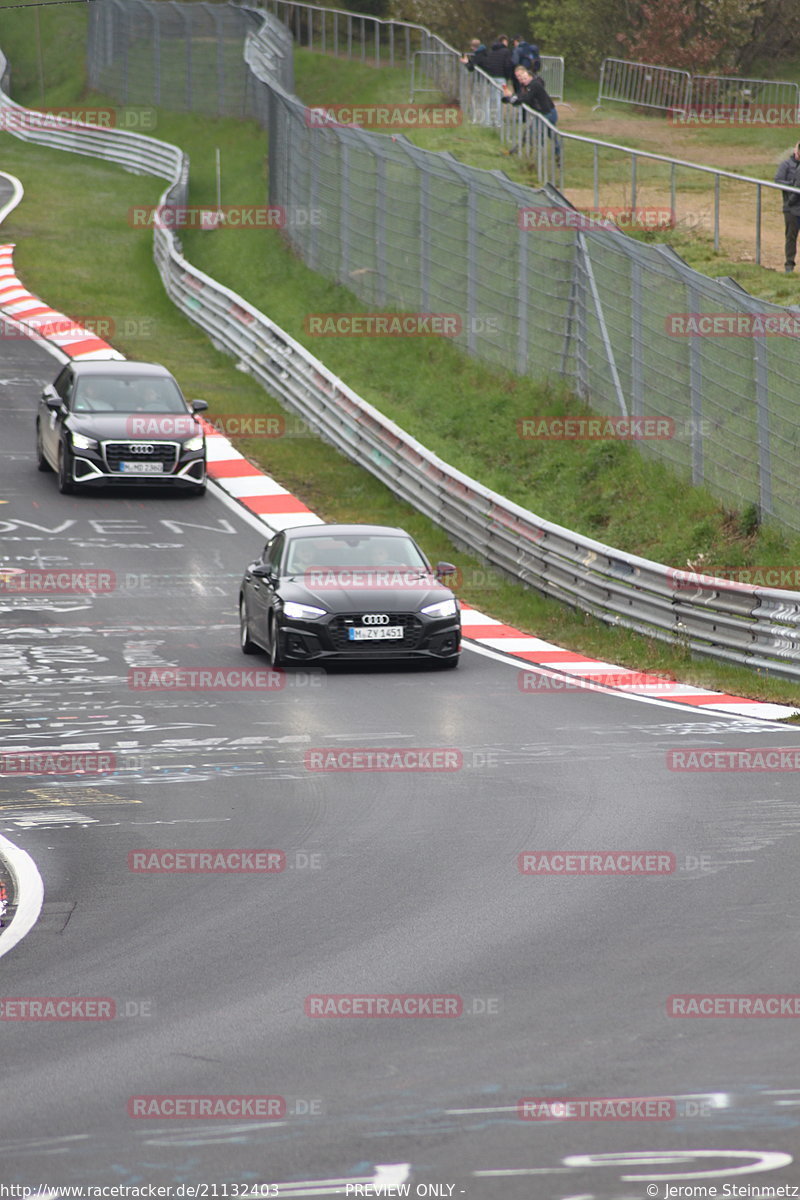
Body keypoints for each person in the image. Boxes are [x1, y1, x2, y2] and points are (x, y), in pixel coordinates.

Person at [502, 66, 560, 161]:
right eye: (518, 77)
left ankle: (538, 157)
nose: (520, 79)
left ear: (528, 75)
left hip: (548, 113)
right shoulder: (525, 85)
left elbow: (526, 99)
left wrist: (512, 99)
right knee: (544, 135)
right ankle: (520, 152)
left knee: (537, 134)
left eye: (523, 76)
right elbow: (521, 96)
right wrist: (510, 97)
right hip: (541, 113)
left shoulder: (535, 84)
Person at [775, 142, 800, 273]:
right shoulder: (786, 165)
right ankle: (789, 264)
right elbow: (778, 180)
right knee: (791, 236)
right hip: (791, 208)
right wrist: (793, 185)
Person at [484, 35, 513, 126]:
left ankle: (488, 120)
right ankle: (498, 121)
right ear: (503, 41)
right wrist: (508, 77)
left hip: (491, 77)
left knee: (490, 99)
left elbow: (487, 63)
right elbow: (507, 65)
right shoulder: (506, 52)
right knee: (499, 99)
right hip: (501, 77)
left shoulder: (491, 51)